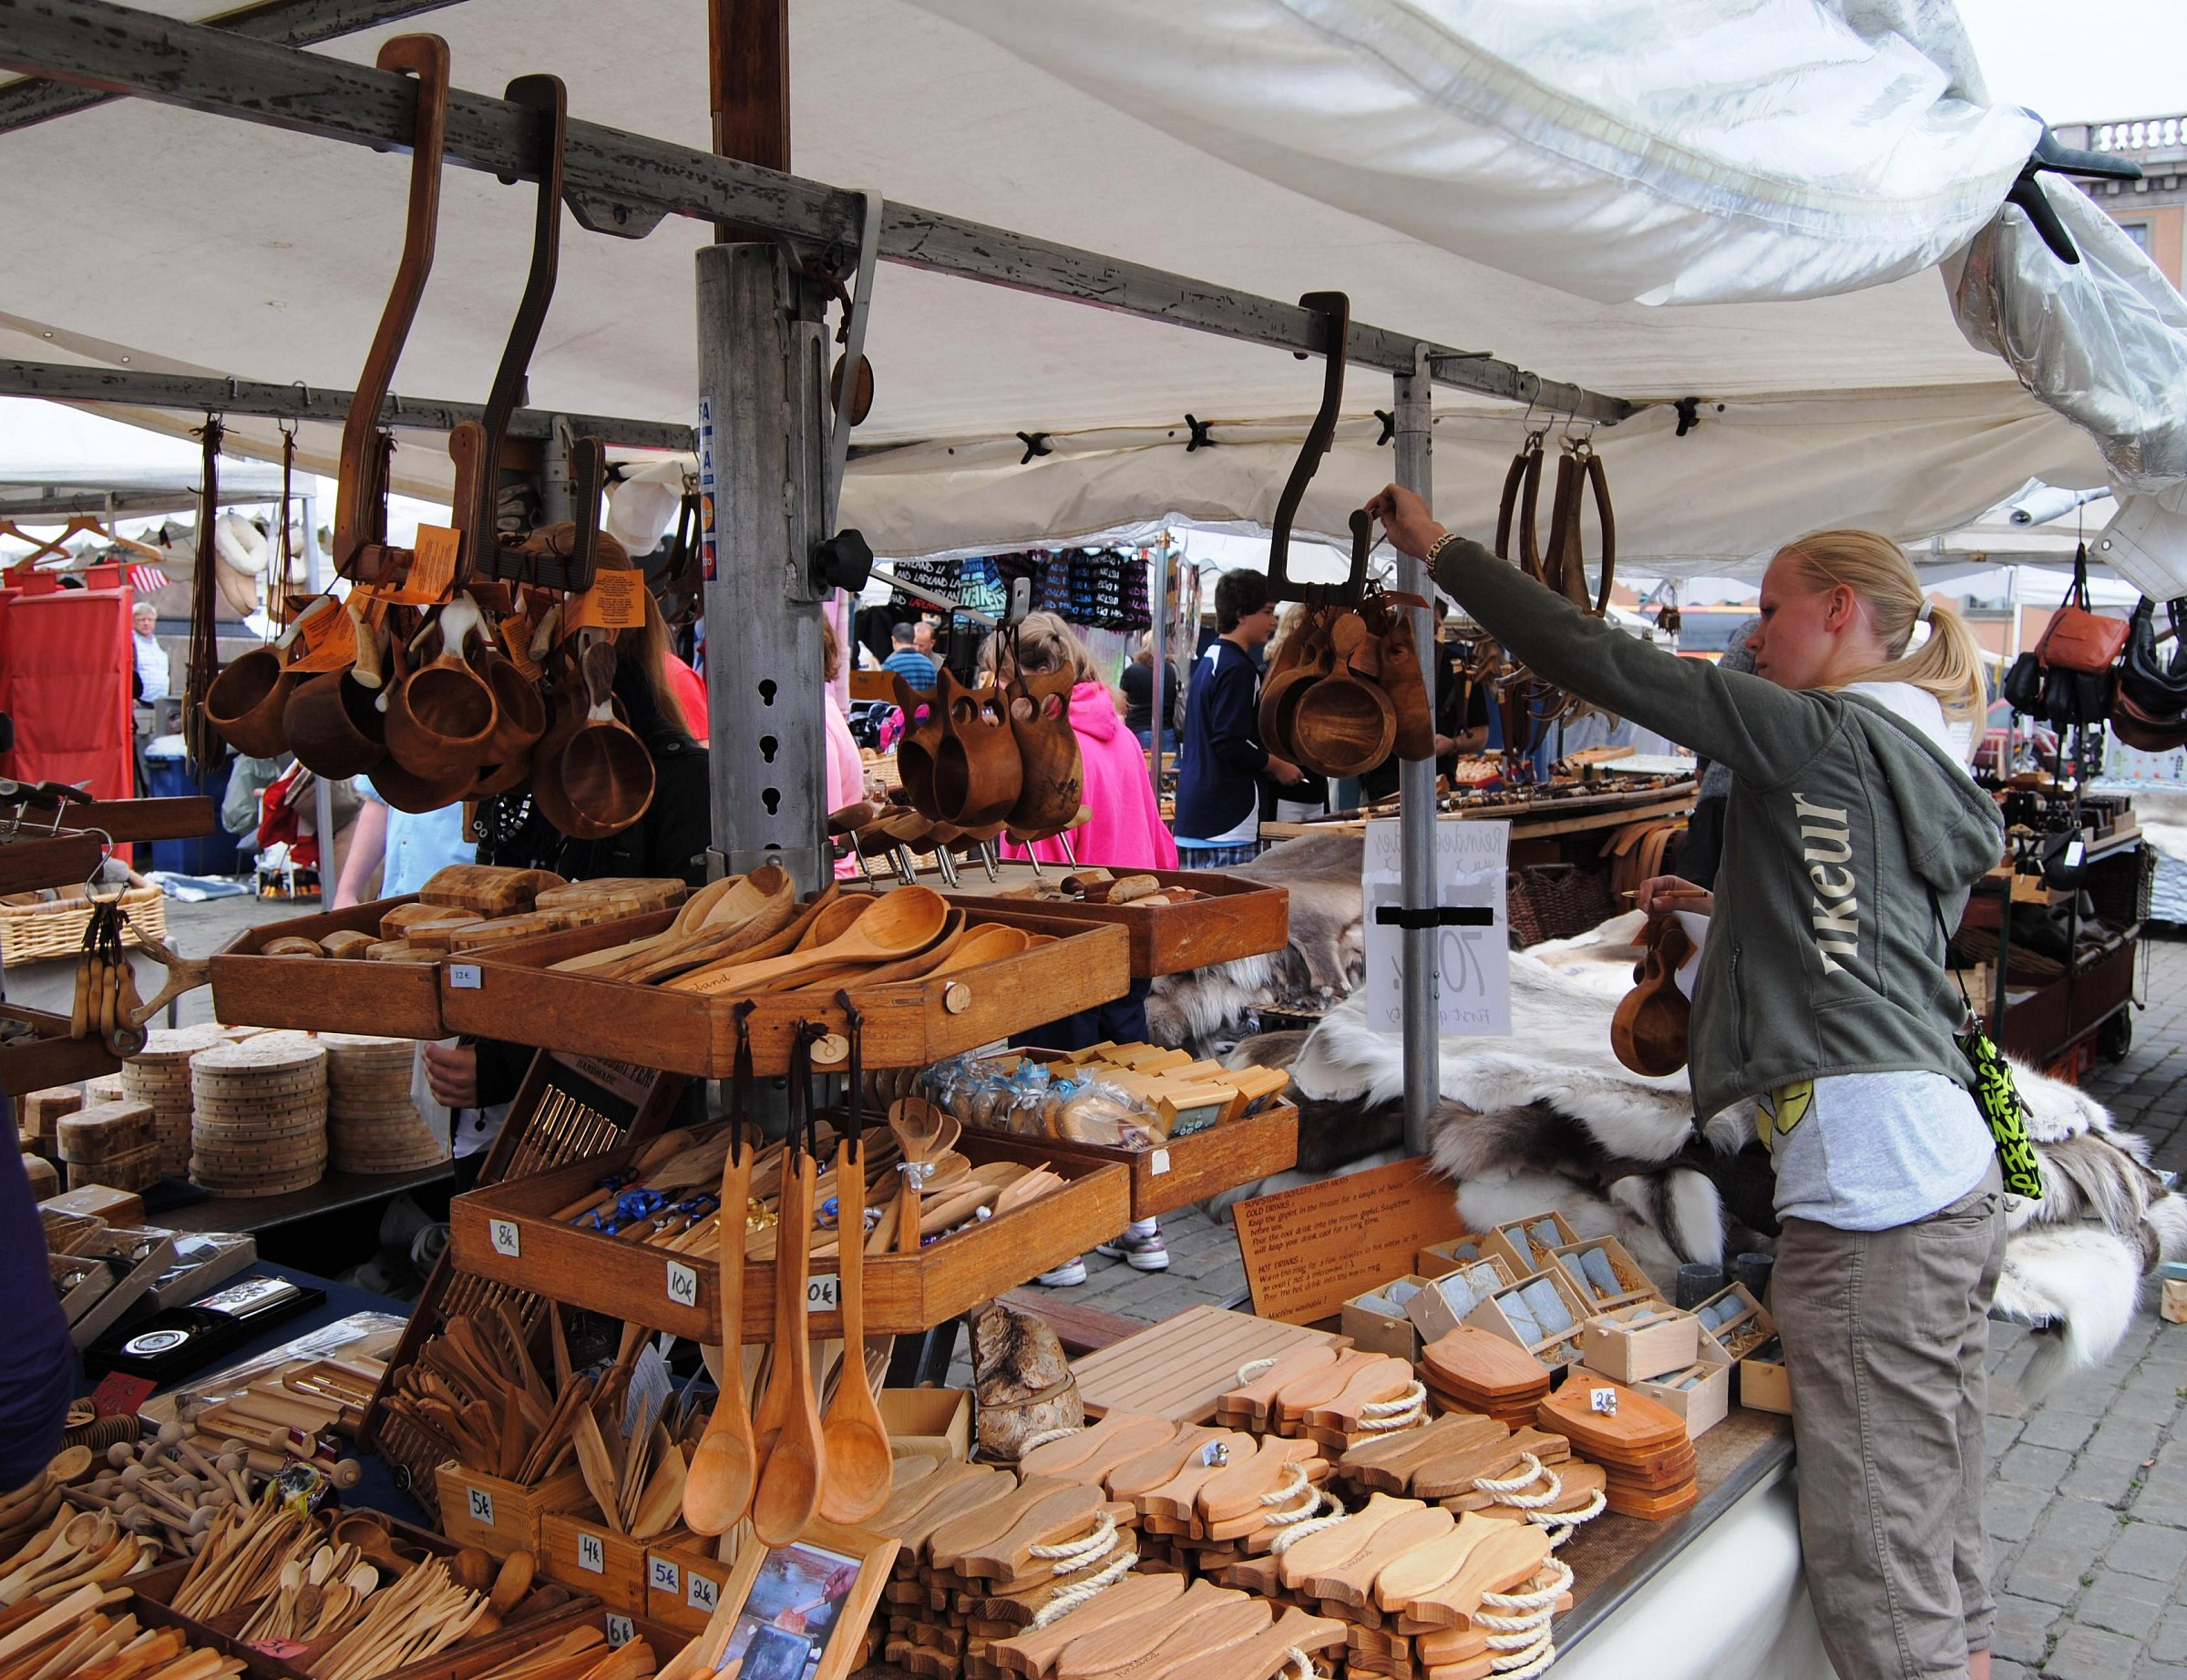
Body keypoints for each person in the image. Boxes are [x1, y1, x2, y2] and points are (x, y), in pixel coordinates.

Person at [1371, 486, 2005, 1680]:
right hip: (1940, 1172)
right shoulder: (1911, 746)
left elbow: (1606, 662)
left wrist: (1443, 551)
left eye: (1768, 612)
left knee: (1877, 1541)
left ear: (1838, 610)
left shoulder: (1819, 731)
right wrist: (1726, 911)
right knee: (1935, 1508)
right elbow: (1866, 937)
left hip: (1874, 1201)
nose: (1753, 637)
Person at [426, 561, 713, 1174]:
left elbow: (669, 974)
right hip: (495, 1121)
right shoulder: (518, 776)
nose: (517, 647)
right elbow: (499, 930)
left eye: (534, 630)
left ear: (595, 644)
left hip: (613, 1127)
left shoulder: (678, 778)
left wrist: (506, 1064)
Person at [980, 612, 1177, 1284]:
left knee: (1053, 1077)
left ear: (1019, 680)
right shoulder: (1119, 733)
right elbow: (1159, 846)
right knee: (1116, 1074)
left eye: (999, 680)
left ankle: (1062, 1237)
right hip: (1130, 932)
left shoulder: (1044, 745)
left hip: (1060, 939)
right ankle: (1139, 1223)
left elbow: (1016, 860)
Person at [1174, 569, 1302, 866]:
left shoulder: (1211, 659)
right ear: (1242, 614)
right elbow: (1231, 741)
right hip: (1228, 818)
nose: (1273, 621)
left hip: (1198, 814)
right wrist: (1278, 765)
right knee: (1230, 910)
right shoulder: (1238, 669)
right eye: (1268, 612)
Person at [1119, 633, 1180, 750]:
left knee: (1140, 768)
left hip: (1138, 732)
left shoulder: (1131, 671)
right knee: (1169, 768)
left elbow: (1121, 707)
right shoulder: (1171, 671)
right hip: (1167, 732)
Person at [131, 600, 169, 704]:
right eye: (141, 620)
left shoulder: (157, 643)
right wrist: (131, 697)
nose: (146, 623)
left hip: (161, 703)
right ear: (132, 621)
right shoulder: (130, 642)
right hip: (139, 703)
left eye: (150, 619)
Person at [883, 621, 938, 691]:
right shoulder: (929, 665)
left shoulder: (890, 663)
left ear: (894, 640)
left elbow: (885, 693)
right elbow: (933, 694)